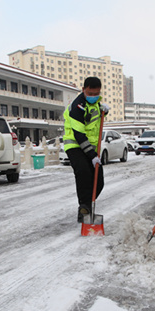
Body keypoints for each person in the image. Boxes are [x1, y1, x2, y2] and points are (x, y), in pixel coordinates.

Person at [63, 77, 109, 222]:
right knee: (83, 172)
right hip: (75, 145)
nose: (92, 96)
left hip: (90, 146)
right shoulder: (77, 106)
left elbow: (93, 121)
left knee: (98, 181)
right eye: (90, 93)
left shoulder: (96, 103)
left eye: (96, 93)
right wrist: (92, 155)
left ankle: (87, 206)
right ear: (83, 90)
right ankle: (84, 208)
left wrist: (104, 112)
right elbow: (79, 135)